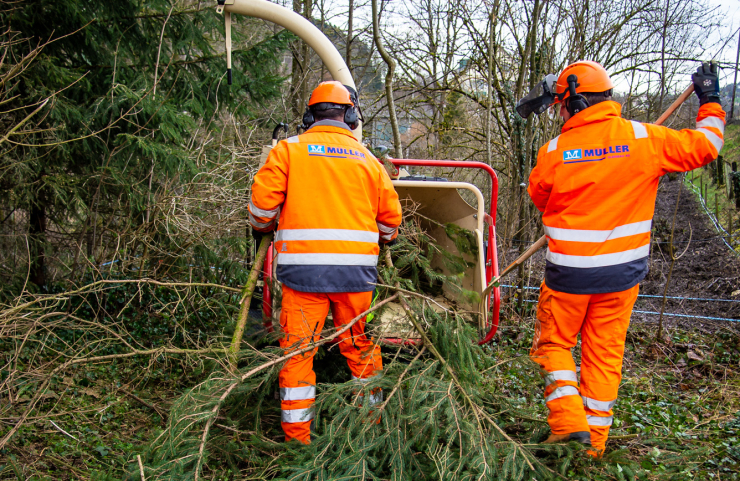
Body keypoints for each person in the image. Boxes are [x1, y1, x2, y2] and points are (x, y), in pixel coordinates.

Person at [526, 61, 725, 456]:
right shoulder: (644, 138)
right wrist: (711, 99)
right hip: (621, 276)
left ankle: (568, 425)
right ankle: (592, 447)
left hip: (569, 276)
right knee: (604, 355)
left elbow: (539, 197)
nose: (559, 113)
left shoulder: (552, 152)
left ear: (574, 102)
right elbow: (708, 146)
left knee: (553, 345)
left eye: (560, 106)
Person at [248, 81, 403, 444]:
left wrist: (267, 226)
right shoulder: (369, 161)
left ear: (308, 115)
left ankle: (298, 439)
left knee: (299, 354)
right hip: (356, 278)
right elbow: (390, 224)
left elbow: (260, 211)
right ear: (350, 115)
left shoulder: (289, 151)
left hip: (303, 275)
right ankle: (370, 430)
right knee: (361, 348)